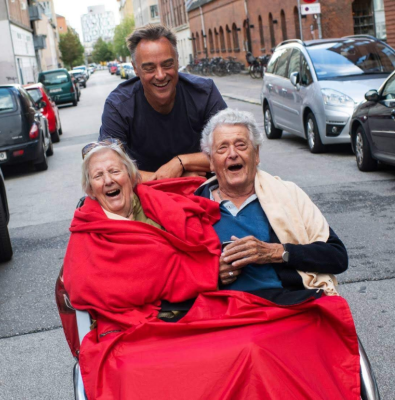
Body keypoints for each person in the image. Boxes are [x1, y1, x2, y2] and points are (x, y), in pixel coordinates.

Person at [60, 136, 360, 399]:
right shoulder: (89, 227)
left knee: (257, 346)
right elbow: (86, 285)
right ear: (90, 188)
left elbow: (193, 238)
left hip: (208, 303)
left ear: (131, 175)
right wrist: (206, 272)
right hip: (152, 318)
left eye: (115, 171)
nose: (108, 180)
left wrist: (273, 254)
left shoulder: (160, 201)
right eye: (98, 176)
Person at [196, 108, 348, 301]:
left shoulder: (288, 194)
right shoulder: (193, 205)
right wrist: (210, 273)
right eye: (222, 148)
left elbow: (337, 256)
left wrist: (277, 252)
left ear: (256, 154)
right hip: (218, 311)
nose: (232, 154)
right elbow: (169, 273)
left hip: (284, 305)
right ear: (210, 161)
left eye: (241, 145)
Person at [99, 24, 227, 182]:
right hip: (145, 197)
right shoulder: (118, 106)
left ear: (177, 61)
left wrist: (181, 162)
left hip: (204, 191)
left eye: (167, 65)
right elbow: (107, 168)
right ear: (135, 69)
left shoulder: (204, 93)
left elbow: (229, 152)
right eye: (149, 68)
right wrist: (171, 180)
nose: (160, 75)